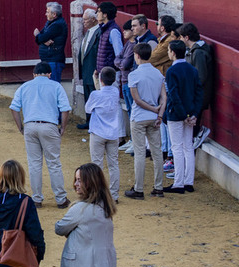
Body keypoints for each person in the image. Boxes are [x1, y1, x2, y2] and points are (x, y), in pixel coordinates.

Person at [9, 62, 71, 209]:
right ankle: (61, 198)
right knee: (54, 163)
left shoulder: (24, 87)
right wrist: (62, 127)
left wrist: (21, 127)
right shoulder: (56, 86)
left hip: (30, 125)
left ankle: (37, 198)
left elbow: (14, 108)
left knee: (34, 164)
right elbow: (65, 109)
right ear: (49, 74)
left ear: (34, 74)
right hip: (49, 126)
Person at [125, 42, 165, 199]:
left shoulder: (133, 75)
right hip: (154, 118)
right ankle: (158, 187)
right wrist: (159, 113)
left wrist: (153, 110)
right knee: (157, 152)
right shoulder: (157, 74)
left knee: (140, 152)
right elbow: (164, 97)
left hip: (139, 117)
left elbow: (137, 99)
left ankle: (139, 189)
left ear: (137, 56)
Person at [164, 40, 200, 194]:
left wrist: (183, 114)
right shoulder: (192, 69)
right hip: (190, 113)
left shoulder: (171, 71)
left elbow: (173, 95)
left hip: (176, 114)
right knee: (188, 146)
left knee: (177, 147)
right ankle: (188, 182)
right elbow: (199, 94)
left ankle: (178, 183)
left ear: (172, 52)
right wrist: (193, 114)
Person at [84, 67, 122, 202]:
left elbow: (88, 109)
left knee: (96, 165)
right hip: (112, 133)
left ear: (100, 80)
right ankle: (114, 195)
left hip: (98, 132)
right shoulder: (115, 92)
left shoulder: (95, 95)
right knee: (113, 164)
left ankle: (98, 194)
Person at [178, 22, 213, 149]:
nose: (180, 40)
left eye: (181, 37)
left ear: (186, 37)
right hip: (198, 93)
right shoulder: (197, 50)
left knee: (192, 124)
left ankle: (199, 133)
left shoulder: (198, 53)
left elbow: (201, 77)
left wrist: (188, 89)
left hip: (198, 94)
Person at [113, 19, 137, 140]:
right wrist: (120, 63)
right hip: (125, 80)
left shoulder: (133, 45)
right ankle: (132, 139)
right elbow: (117, 59)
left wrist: (120, 63)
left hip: (129, 81)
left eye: (127, 30)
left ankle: (134, 139)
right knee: (129, 110)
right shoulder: (128, 44)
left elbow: (125, 64)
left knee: (132, 111)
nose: (124, 32)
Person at [33, 2, 67, 83]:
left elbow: (40, 36)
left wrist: (38, 36)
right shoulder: (50, 23)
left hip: (53, 60)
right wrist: (43, 40)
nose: (45, 14)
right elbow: (41, 38)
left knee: (52, 85)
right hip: (49, 59)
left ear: (54, 14)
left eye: (47, 12)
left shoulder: (57, 25)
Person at [78, 9, 100, 112]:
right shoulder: (89, 32)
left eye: (86, 19)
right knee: (88, 97)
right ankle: (89, 120)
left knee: (94, 97)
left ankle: (93, 121)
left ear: (93, 19)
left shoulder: (98, 32)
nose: (84, 22)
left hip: (93, 70)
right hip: (86, 70)